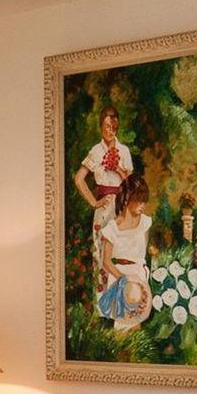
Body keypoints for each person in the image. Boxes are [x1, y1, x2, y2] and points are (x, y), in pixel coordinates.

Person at [95, 174, 154, 334]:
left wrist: (138, 278)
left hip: (138, 275)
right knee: (123, 323)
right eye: (139, 200)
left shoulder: (145, 223)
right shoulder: (113, 228)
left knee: (137, 320)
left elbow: (141, 255)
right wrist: (124, 279)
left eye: (144, 201)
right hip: (120, 276)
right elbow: (106, 261)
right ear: (128, 198)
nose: (142, 205)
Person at [72, 107, 133, 250]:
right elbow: (78, 179)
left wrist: (118, 169)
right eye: (107, 126)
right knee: (101, 250)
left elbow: (131, 185)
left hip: (122, 208)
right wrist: (94, 202)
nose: (111, 131)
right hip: (103, 209)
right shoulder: (96, 151)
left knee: (120, 251)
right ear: (101, 127)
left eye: (114, 127)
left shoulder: (124, 151)